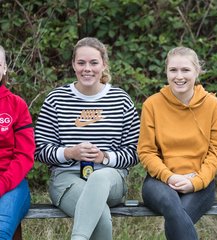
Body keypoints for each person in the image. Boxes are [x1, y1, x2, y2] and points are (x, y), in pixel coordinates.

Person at [35, 37, 140, 240]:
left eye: (94, 62)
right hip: (67, 179)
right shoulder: (56, 99)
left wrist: (105, 157)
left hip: (110, 179)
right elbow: (39, 149)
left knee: (98, 177)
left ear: (104, 65)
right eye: (81, 63)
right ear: (73, 65)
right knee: (100, 217)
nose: (87, 69)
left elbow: (135, 151)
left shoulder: (121, 100)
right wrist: (69, 153)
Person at [137, 46, 217, 240]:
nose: (179, 76)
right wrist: (169, 177)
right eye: (173, 70)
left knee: (178, 218)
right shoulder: (152, 105)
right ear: (166, 72)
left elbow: (216, 152)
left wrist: (195, 182)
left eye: (185, 70)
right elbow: (146, 152)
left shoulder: (213, 106)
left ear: (197, 72)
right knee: (172, 207)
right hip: (159, 181)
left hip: (200, 181)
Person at [0, 45, 35, 239]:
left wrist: (3, 184)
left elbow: (24, 155)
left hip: (11, 183)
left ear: (4, 68)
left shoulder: (16, 105)